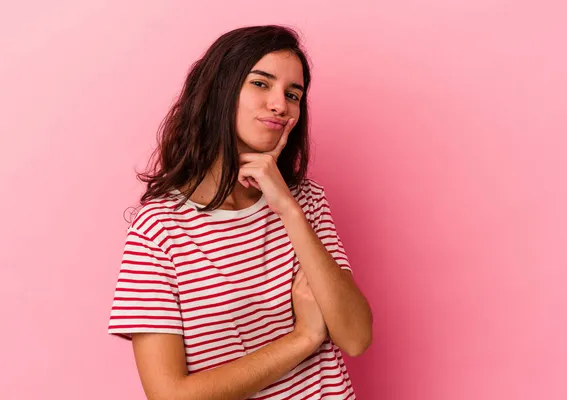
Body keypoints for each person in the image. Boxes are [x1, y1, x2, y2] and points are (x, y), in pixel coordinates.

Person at [107, 24, 372, 400]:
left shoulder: (306, 201)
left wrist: (288, 210)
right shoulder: (160, 229)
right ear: (219, 92)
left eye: (293, 94)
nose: (281, 104)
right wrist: (304, 337)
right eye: (261, 84)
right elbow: (169, 395)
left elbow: (357, 336)